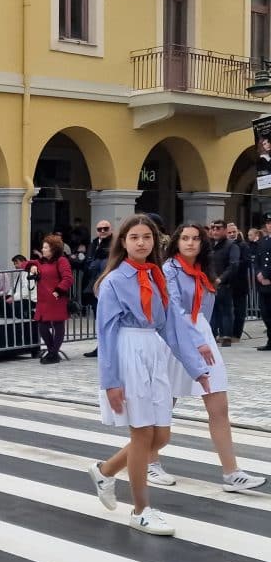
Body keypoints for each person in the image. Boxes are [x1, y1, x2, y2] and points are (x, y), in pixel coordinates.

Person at [87, 215, 211, 537]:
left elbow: (173, 328)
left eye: (146, 237)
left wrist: (197, 369)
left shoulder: (158, 277)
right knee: (142, 435)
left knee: (160, 436)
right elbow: (107, 335)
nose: (141, 242)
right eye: (134, 237)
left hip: (154, 352)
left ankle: (105, 470)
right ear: (123, 243)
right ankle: (141, 510)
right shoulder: (113, 282)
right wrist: (110, 381)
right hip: (127, 352)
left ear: (155, 241)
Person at [148, 224, 265, 491]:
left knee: (219, 404)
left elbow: (202, 310)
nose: (190, 243)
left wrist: (203, 337)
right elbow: (174, 309)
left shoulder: (203, 272)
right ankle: (150, 463)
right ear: (176, 242)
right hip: (175, 338)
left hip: (201, 334)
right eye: (185, 238)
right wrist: (197, 340)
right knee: (165, 404)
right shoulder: (169, 270)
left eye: (196, 239)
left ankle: (231, 472)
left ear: (203, 244)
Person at [29, 235, 73, 364]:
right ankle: (52, 351)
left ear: (53, 249)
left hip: (57, 298)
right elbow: (24, 263)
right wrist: (31, 266)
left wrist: (58, 291)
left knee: (58, 325)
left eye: (45, 247)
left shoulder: (61, 260)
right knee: (42, 326)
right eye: (43, 247)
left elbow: (68, 278)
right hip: (43, 300)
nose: (43, 249)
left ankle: (53, 354)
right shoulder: (41, 261)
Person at [82, 220, 113, 357]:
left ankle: (108, 347)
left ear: (110, 229)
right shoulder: (94, 243)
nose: (102, 231)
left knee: (109, 318)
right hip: (93, 285)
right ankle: (100, 346)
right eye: (99, 229)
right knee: (98, 317)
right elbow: (88, 262)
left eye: (105, 228)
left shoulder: (114, 244)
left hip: (108, 286)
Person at [207, 219, 239, 348]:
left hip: (224, 284)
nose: (215, 231)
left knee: (225, 310)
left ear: (225, 230)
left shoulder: (231, 245)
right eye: (213, 228)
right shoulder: (208, 245)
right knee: (212, 310)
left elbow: (234, 265)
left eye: (218, 228)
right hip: (208, 283)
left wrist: (221, 279)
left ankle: (226, 336)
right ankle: (212, 334)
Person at [226, 222, 251, 341]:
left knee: (239, 309)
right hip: (227, 282)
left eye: (233, 232)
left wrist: (234, 264)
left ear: (237, 232)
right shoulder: (224, 246)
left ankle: (236, 334)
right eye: (229, 232)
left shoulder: (243, 246)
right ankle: (227, 333)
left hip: (240, 282)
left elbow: (247, 262)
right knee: (227, 309)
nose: (231, 234)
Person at [256, 212, 271, 350]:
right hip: (263, 284)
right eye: (268, 223)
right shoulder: (264, 241)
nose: (269, 225)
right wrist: (259, 274)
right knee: (265, 313)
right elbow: (258, 261)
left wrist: (267, 276)